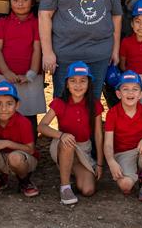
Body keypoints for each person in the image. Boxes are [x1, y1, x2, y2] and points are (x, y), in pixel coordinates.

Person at [37, 61, 104, 205]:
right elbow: (41, 126)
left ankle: (70, 169)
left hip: (83, 149)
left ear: (89, 84)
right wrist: (61, 135)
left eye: (82, 81)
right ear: (67, 84)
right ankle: (65, 186)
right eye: (73, 81)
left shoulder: (95, 105)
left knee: (88, 190)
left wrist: (99, 163)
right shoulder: (60, 103)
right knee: (69, 141)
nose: (78, 85)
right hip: (63, 144)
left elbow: (98, 135)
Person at [0, 0, 45, 137]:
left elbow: (37, 49)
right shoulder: (2, 23)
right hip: (5, 77)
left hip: (31, 77)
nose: (20, 3)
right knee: (3, 115)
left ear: (32, 1)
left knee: (29, 116)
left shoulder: (37, 23)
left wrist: (31, 74)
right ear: (10, 1)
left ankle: (30, 150)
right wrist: (7, 73)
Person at [103, 71, 142, 202]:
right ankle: (138, 173)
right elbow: (107, 143)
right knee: (125, 186)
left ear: (141, 94)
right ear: (118, 94)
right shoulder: (112, 113)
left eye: (135, 89)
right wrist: (111, 161)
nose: (130, 93)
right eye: (125, 89)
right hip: (123, 153)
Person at [0, 80, 40, 197]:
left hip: (23, 157)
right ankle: (0, 177)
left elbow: (30, 150)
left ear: (17, 105)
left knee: (14, 157)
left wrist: (7, 143)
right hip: (3, 156)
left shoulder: (23, 122)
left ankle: (25, 181)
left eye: (9, 103)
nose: (3, 108)